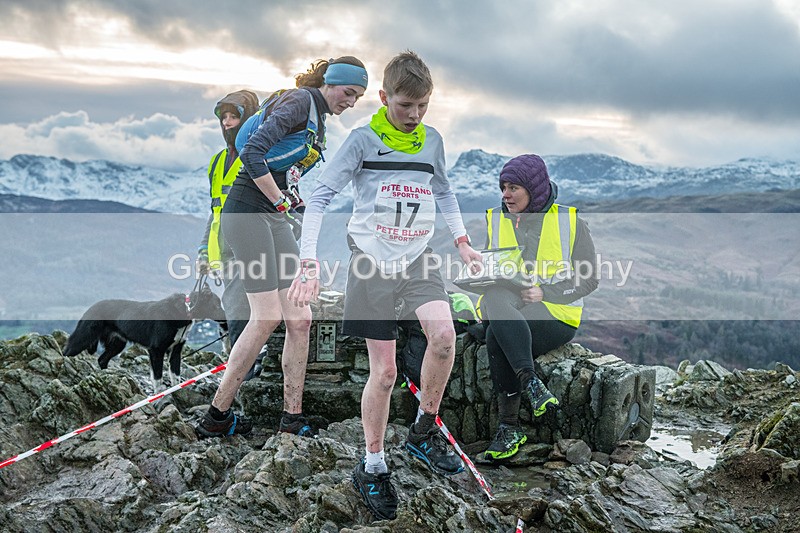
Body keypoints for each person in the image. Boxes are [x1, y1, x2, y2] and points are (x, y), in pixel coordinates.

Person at [288, 50, 482, 521]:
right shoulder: (362, 141)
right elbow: (320, 197)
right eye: (405, 105)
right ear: (384, 97)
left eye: (423, 106)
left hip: (419, 259)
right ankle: (372, 464)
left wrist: (461, 240)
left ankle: (423, 430)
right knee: (386, 373)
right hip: (371, 263)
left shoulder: (432, 141)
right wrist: (308, 261)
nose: (414, 115)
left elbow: (444, 190)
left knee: (444, 337)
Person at [194, 56, 368, 439]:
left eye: (358, 97)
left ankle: (291, 418)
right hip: (246, 213)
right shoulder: (299, 101)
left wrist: (291, 198)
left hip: (272, 216)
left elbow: (280, 165)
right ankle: (216, 416)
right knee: (266, 316)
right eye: (348, 92)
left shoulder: (317, 117)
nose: (351, 101)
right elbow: (253, 153)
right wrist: (279, 200)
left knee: (300, 318)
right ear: (330, 82)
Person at [479, 154, 598, 461]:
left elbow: (589, 278)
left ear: (533, 189)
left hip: (557, 313)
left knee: (494, 337)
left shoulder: (570, 222)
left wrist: (546, 292)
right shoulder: (496, 218)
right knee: (493, 296)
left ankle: (509, 427)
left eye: (513, 188)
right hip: (511, 306)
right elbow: (493, 268)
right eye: (503, 187)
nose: (505, 195)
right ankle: (531, 383)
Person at [196, 89, 264, 379]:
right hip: (223, 255)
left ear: (248, 120)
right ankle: (246, 374)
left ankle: (242, 379)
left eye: (234, 116)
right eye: (223, 117)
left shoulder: (259, 157)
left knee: (238, 312)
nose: (227, 122)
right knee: (239, 311)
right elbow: (215, 212)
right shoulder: (216, 162)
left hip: (251, 250)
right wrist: (204, 250)